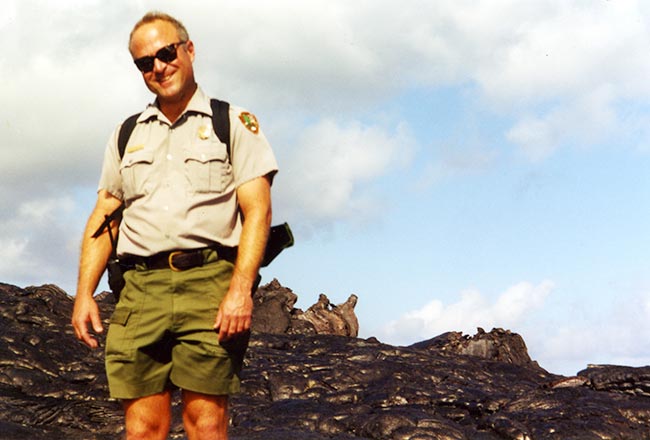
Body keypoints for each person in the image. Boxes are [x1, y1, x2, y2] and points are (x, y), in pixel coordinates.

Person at [71, 11, 277, 440]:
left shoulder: (231, 123)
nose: (158, 67)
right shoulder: (126, 134)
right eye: (145, 62)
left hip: (208, 284)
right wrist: (84, 293)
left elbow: (258, 210)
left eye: (166, 53)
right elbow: (104, 217)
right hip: (138, 290)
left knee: (205, 424)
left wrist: (240, 289)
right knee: (143, 427)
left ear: (189, 49)